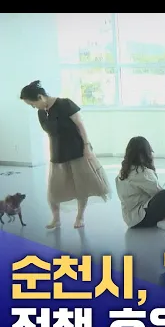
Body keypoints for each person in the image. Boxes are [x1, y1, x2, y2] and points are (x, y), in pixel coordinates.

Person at [20, 80, 111, 229]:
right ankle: (56, 218)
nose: (33, 107)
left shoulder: (65, 104)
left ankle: (80, 217)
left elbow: (81, 125)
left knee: (81, 186)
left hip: (77, 150)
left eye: (32, 104)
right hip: (57, 153)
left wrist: (87, 146)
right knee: (53, 190)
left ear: (40, 97)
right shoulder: (41, 112)